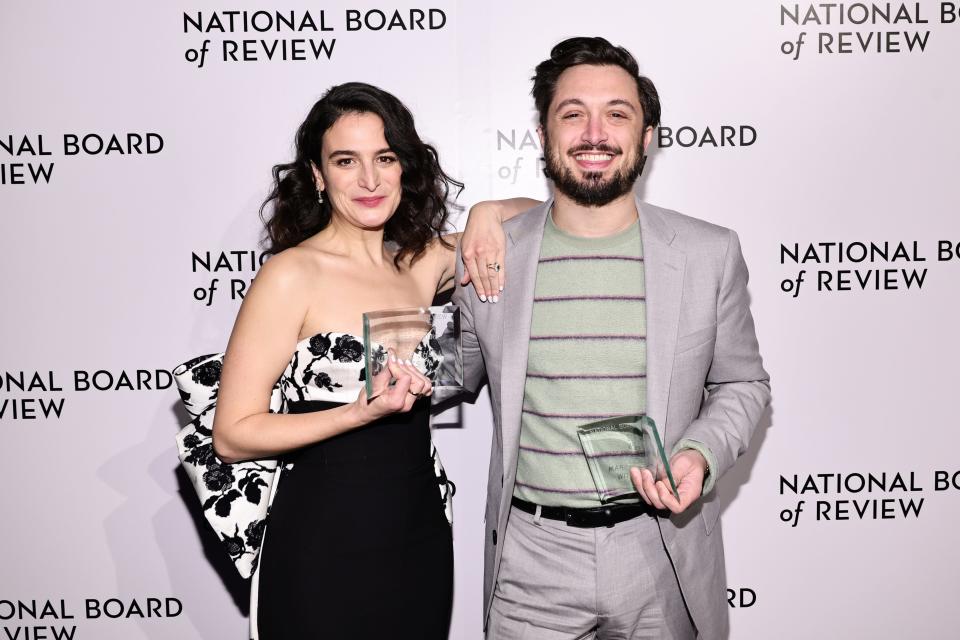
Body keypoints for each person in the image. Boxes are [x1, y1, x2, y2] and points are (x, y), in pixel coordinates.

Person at [454, 37, 771, 639]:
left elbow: (742, 382)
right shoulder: (494, 254)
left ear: (647, 136)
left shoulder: (708, 253)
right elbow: (451, 373)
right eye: (572, 113)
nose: (594, 133)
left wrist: (700, 454)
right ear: (544, 134)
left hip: (661, 552)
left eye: (617, 114)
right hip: (530, 564)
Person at [209, 82, 508, 639]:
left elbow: (541, 214)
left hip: (418, 529)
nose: (369, 181)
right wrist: (355, 413)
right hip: (323, 535)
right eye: (347, 161)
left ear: (405, 169)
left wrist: (488, 212)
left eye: (385, 159)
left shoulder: (421, 264)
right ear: (319, 177)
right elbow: (232, 433)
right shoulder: (291, 274)